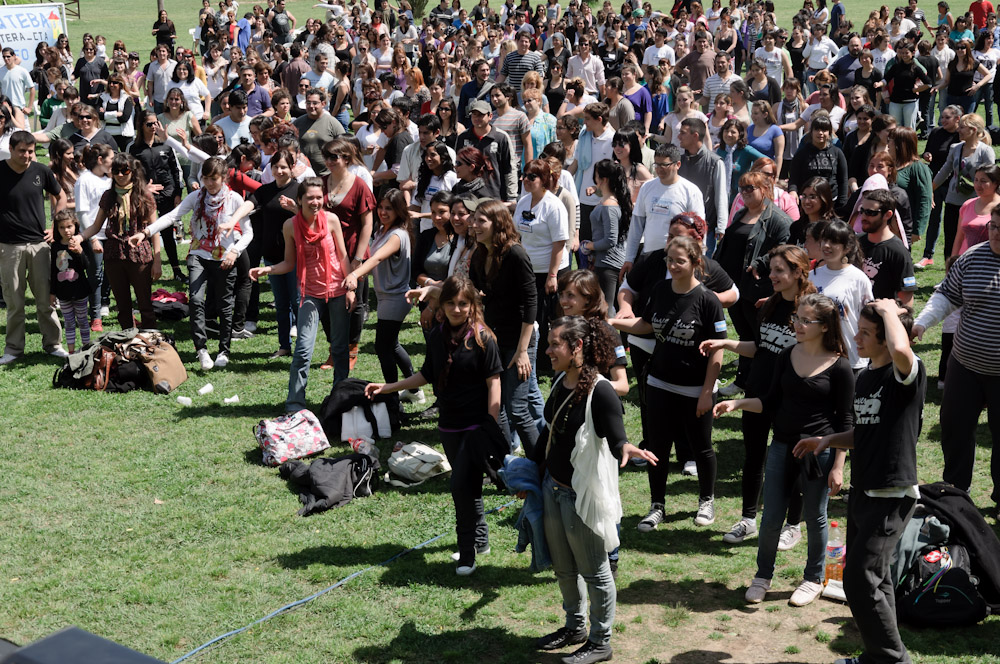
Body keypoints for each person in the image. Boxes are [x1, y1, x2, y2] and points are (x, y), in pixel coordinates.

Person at [794, 300, 924, 664]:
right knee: (876, 579)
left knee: (858, 579)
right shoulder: (866, 377)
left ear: (885, 336)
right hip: (864, 489)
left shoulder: (906, 374)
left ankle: (891, 659)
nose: (856, 337)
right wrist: (828, 440)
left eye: (866, 333)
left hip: (891, 492)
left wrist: (888, 311)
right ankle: (883, 655)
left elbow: (901, 346)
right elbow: (865, 432)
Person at [530, 315, 656, 664]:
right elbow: (548, 434)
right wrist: (528, 472)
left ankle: (601, 641)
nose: (549, 350)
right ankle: (575, 627)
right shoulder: (560, 382)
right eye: (550, 343)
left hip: (580, 497)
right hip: (553, 491)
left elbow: (617, 434)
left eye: (556, 344)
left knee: (596, 571)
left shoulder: (600, 391)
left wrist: (626, 448)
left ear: (577, 347)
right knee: (564, 568)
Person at [715, 292, 853, 607]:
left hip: (819, 451)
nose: (798, 324)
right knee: (771, 516)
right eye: (796, 318)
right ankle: (763, 576)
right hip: (782, 445)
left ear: (825, 326)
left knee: (816, 516)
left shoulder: (840, 367)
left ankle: (813, 578)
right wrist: (736, 403)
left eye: (806, 320)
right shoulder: (786, 355)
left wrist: (837, 466)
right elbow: (770, 402)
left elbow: (846, 422)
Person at [367, 275, 502, 575]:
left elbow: (495, 383)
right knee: (469, 487)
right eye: (451, 303)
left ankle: (467, 552)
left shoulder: (484, 338)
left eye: (463, 304)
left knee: (459, 487)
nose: (457, 309)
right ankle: (481, 541)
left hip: (476, 426)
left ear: (472, 305)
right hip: (450, 425)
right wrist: (388, 387)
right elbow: (427, 374)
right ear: (442, 305)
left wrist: (490, 424)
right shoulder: (439, 335)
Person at [611, 235, 728, 529]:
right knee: (658, 447)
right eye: (669, 260)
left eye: (679, 260)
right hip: (659, 383)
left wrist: (706, 392)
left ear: (695, 262)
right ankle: (657, 506)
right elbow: (646, 325)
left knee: (701, 446)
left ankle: (706, 501)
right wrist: (613, 322)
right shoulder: (661, 290)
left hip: (695, 388)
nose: (673, 265)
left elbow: (717, 351)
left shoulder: (708, 300)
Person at [701, 245, 815, 544]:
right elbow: (761, 348)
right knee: (753, 457)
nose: (772, 276)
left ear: (798, 273)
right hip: (757, 391)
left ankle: (793, 526)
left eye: (779, 271)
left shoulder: (810, 311)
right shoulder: (771, 304)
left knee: (793, 458)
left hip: (790, 398)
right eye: (772, 269)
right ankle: (748, 519)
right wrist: (725, 344)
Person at [913, 205, 1000, 509]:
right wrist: (922, 322)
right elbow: (946, 296)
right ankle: (954, 495)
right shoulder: (972, 257)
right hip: (965, 366)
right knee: (954, 431)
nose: (996, 234)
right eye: (993, 227)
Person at [136, 157, 251, 371]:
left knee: (225, 306)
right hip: (198, 254)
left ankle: (224, 350)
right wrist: (146, 232)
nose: (209, 183)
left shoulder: (234, 199)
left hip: (224, 257)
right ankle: (202, 349)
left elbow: (248, 232)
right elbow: (172, 216)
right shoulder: (197, 197)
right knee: (196, 300)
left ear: (223, 178)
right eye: (205, 178)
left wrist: (235, 251)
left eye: (213, 179)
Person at [250, 178, 351, 409]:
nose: (315, 202)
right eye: (310, 198)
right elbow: (288, 263)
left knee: (339, 348)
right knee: (303, 348)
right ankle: (295, 402)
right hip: (310, 293)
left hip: (336, 289)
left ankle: (341, 398)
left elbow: (343, 256)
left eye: (319, 197)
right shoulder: (290, 226)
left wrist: (350, 287)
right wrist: (268, 269)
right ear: (300, 200)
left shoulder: (332, 220)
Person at [714, 171, 792, 394]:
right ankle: (744, 381)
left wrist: (762, 262)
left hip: (757, 289)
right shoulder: (741, 213)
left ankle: (756, 382)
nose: (745, 193)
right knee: (745, 333)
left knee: (759, 337)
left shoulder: (777, 219)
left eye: (751, 188)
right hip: (734, 286)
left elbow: (785, 247)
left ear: (765, 190)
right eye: (742, 188)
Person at [219, 149, 299, 359]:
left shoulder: (300, 190)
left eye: (283, 167)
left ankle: (302, 349)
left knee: (297, 302)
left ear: (292, 167)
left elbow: (312, 218)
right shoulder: (266, 190)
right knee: (281, 304)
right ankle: (284, 346)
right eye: (275, 167)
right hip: (272, 255)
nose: (279, 171)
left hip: (296, 257)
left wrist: (294, 209)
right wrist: (233, 220)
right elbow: (249, 204)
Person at [0, 131, 67, 365]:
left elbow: (60, 196)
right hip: (9, 247)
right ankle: (14, 349)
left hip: (40, 245)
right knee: (15, 302)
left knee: (45, 301)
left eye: (31, 151)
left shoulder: (41, 171)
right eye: (22, 151)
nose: (27, 156)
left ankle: (53, 344)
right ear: (11, 148)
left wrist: (54, 226)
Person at [344, 190, 420, 397]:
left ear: (399, 211)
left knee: (383, 347)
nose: (384, 212)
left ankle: (391, 395)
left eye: (390, 208)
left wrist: (355, 273)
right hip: (388, 297)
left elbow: (376, 258)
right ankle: (414, 389)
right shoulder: (383, 230)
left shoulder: (397, 235)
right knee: (391, 345)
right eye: (381, 207)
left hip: (396, 298)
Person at [78, 153, 160, 332]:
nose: (120, 175)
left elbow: (155, 230)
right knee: (123, 307)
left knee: (145, 303)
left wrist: (158, 261)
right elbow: (96, 225)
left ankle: (150, 341)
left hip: (140, 255)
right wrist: (80, 237)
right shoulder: (108, 196)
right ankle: (128, 341)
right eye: (116, 171)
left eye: (125, 170)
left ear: (133, 171)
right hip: (114, 255)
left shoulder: (144, 195)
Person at [623, 144, 705, 278]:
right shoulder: (647, 187)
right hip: (649, 256)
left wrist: (697, 260)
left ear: (677, 164)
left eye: (664, 165)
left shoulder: (691, 191)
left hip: (678, 261)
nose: (659, 169)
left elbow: (700, 230)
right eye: (657, 164)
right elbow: (636, 226)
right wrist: (629, 258)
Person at [810, 221, 873, 371]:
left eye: (833, 242)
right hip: (817, 355)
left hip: (849, 356)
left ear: (848, 248)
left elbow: (868, 318)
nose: (826, 245)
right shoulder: (811, 276)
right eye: (824, 240)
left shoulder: (858, 278)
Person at [932, 112, 995, 261]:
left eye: (962, 128)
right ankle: (949, 275)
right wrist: (930, 190)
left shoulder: (985, 151)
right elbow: (945, 170)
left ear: (973, 130)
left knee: (972, 241)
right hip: (953, 201)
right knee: (951, 240)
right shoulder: (955, 148)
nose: (958, 130)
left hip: (976, 204)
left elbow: (992, 178)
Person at [583, 160, 631, 314]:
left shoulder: (609, 206)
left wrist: (589, 246)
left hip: (608, 264)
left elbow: (610, 239)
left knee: (606, 307)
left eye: (596, 176)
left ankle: (608, 336)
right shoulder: (608, 200)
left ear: (603, 180)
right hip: (606, 262)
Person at [918, 104, 963, 267]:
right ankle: (928, 255)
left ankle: (957, 257)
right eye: (942, 117)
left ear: (957, 119)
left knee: (954, 222)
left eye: (947, 117)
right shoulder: (936, 132)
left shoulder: (961, 136)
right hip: (935, 183)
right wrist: (926, 154)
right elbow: (926, 151)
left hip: (954, 185)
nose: (942, 120)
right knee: (934, 218)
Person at [677, 117, 728, 256]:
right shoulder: (679, 161)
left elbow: (721, 196)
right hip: (680, 228)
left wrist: (721, 228)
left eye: (683, 133)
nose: (678, 136)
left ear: (695, 136)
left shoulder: (715, 162)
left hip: (706, 230)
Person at [857, 189, 917, 306]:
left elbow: (906, 298)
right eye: (862, 211)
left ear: (887, 215)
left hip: (880, 320)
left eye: (871, 213)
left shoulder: (898, 251)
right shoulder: (855, 242)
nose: (864, 216)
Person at [49, 210, 94, 353]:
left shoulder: (81, 243)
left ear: (75, 226)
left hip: (80, 290)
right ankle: (71, 352)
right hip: (63, 293)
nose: (66, 230)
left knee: (82, 321)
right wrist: (52, 293)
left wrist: (79, 251)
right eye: (62, 227)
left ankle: (87, 350)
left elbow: (87, 266)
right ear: (57, 228)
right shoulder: (55, 246)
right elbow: (53, 271)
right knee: (68, 323)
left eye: (69, 226)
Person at [788, 114, 849, 211]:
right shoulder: (801, 154)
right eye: (817, 129)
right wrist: (793, 191)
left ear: (829, 133)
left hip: (831, 202)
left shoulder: (837, 153)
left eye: (824, 130)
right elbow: (793, 179)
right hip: (808, 202)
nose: (820, 133)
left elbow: (843, 180)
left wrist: (842, 203)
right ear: (811, 132)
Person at [952, 164, 1000, 256]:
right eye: (976, 180)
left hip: (991, 263)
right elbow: (959, 238)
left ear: (996, 183)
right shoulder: (967, 205)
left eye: (983, 181)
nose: (978, 185)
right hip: (965, 261)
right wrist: (952, 263)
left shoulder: (999, 206)